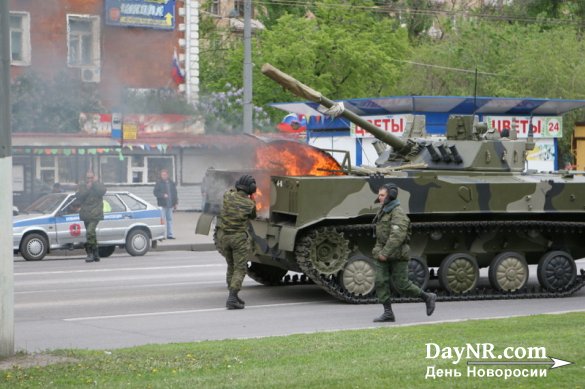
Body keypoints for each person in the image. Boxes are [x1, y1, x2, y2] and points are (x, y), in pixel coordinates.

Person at [371, 183, 436, 322]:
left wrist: (385, 253)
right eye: (379, 195)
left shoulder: (397, 213)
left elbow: (397, 236)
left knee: (402, 285)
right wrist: (378, 251)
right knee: (380, 281)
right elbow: (380, 234)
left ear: (390, 196)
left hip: (397, 254)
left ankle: (427, 297)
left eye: (382, 195)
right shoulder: (384, 210)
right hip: (383, 251)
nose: (379, 198)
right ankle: (388, 313)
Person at [215, 174, 257, 310]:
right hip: (238, 239)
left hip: (224, 237)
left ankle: (232, 294)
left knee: (231, 266)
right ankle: (232, 298)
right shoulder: (249, 204)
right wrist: (252, 199)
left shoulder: (228, 196)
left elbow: (230, 191)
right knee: (240, 268)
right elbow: (253, 216)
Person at [75, 171, 106, 263]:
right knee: (91, 234)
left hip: (95, 214)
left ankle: (90, 253)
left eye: (91, 178)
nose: (89, 180)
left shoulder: (99, 185)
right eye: (88, 178)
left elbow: (102, 191)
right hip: (86, 214)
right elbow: (78, 197)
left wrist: (95, 184)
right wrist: (87, 189)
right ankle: (96, 254)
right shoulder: (83, 187)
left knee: (90, 232)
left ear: (95, 177)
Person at [153, 169, 178, 239]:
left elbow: (175, 193)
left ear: (167, 175)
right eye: (162, 175)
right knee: (162, 220)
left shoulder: (171, 183)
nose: (163, 176)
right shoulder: (159, 183)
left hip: (170, 204)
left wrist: (175, 203)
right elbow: (155, 193)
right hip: (162, 204)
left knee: (170, 220)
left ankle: (170, 235)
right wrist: (162, 195)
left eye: (165, 175)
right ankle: (161, 235)